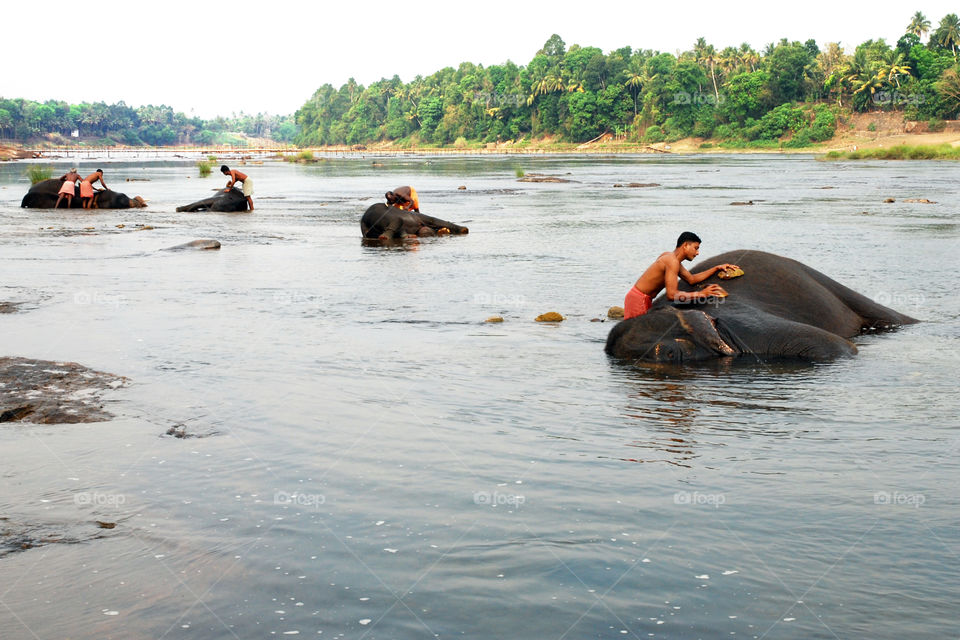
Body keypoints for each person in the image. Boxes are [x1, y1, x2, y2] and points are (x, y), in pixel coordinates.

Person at [624, 231, 740, 320]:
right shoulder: (671, 261)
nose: (697, 252)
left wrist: (716, 268)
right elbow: (671, 295)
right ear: (685, 245)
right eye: (695, 248)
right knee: (636, 338)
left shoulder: (671, 259)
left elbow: (692, 279)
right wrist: (701, 294)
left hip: (641, 298)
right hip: (639, 299)